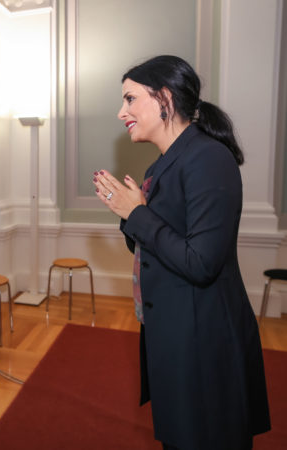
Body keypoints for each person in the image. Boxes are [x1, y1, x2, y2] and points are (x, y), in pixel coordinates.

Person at [93, 55, 271, 450]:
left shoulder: (208, 158)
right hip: (177, 335)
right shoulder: (162, 165)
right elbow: (152, 248)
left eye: (130, 99)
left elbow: (201, 262)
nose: (121, 112)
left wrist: (137, 213)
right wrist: (128, 213)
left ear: (165, 98)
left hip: (205, 342)